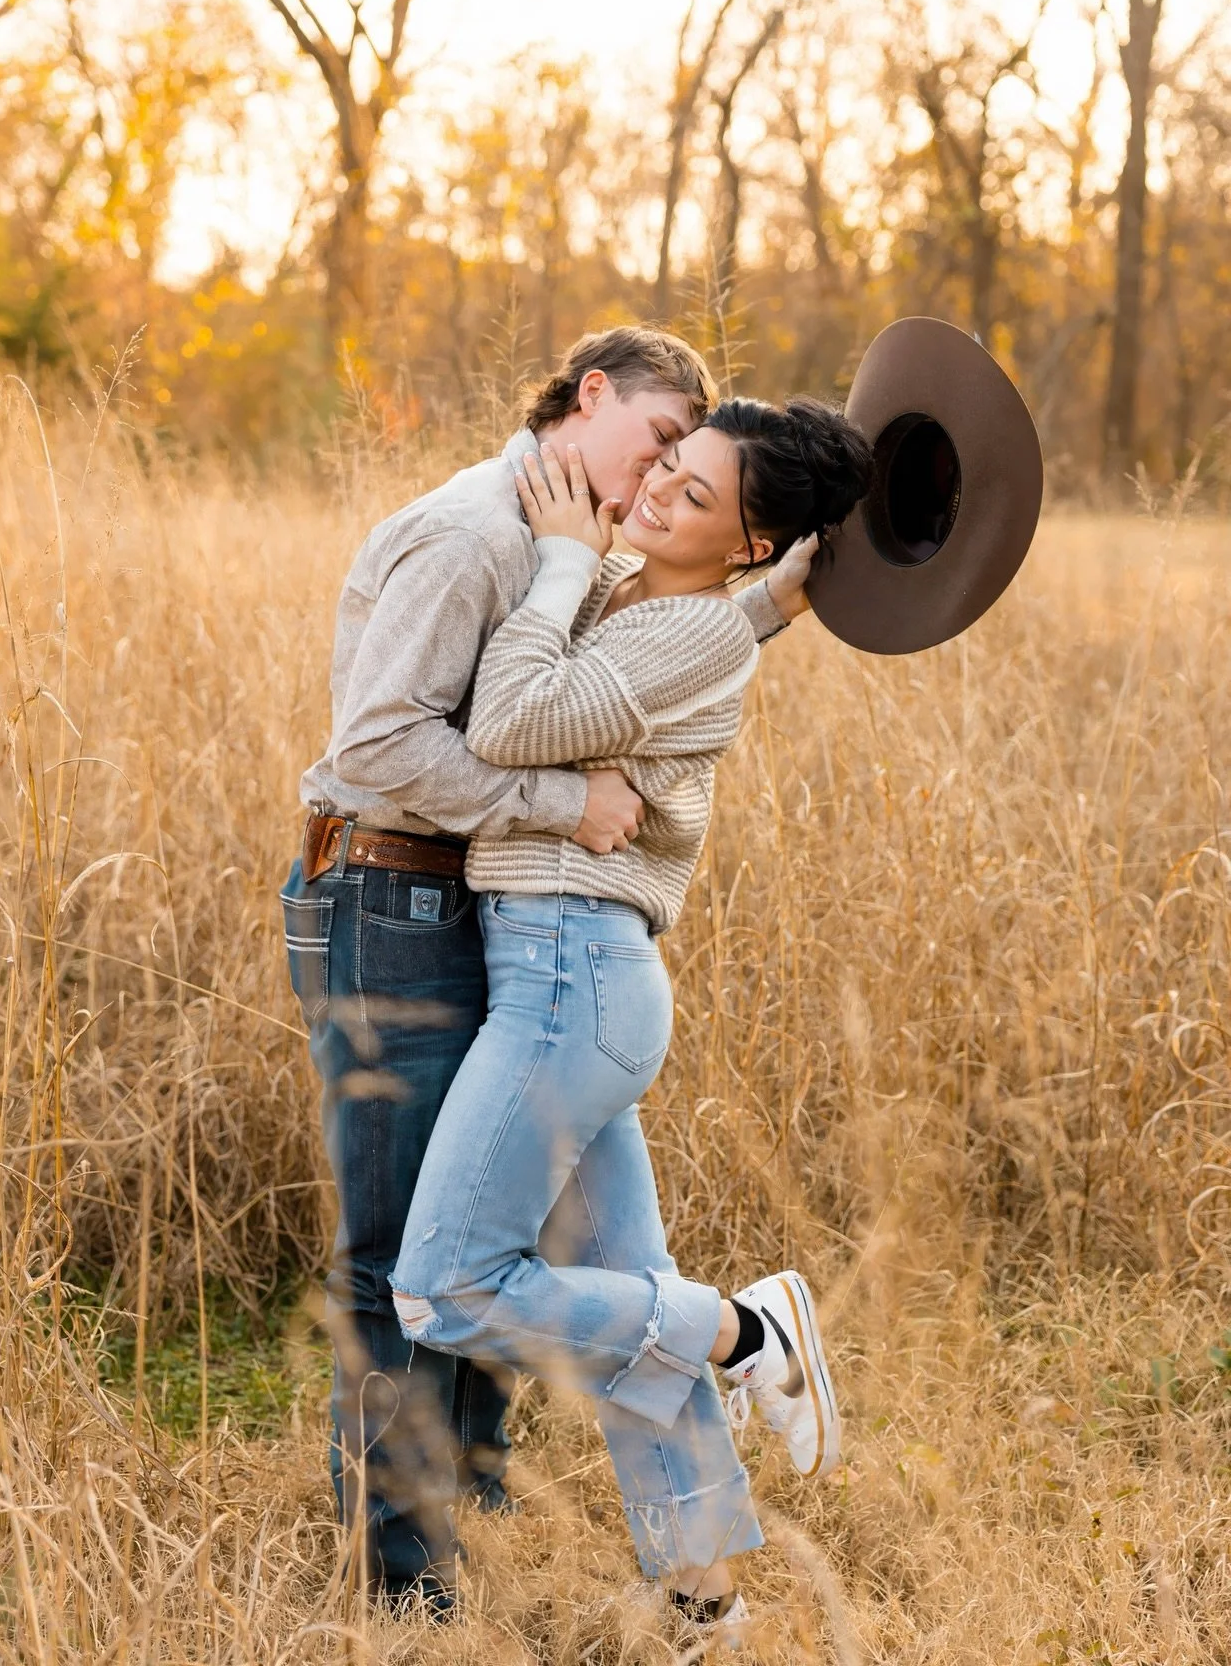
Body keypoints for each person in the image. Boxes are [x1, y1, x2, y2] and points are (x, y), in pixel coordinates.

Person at [281, 328, 798, 1610]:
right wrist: (563, 803)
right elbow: (383, 740)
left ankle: (504, 1530)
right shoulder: (479, 537)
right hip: (384, 893)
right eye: (659, 442)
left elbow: (652, 660)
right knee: (400, 1253)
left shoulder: (570, 546)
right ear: (591, 397)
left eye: (690, 465)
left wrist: (782, 593)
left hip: (459, 903)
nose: (661, 476)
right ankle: (405, 1584)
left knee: (484, 1229)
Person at [388, 398, 873, 1646]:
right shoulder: (680, 604)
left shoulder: (675, 623)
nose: (659, 492)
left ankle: (747, 1327)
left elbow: (506, 724)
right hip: (567, 981)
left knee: (444, 1290)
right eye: (673, 465)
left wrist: (559, 558)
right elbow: (684, 637)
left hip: (571, 980)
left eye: (697, 497)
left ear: (745, 545)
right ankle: (708, 1604)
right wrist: (775, 599)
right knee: (626, 1302)